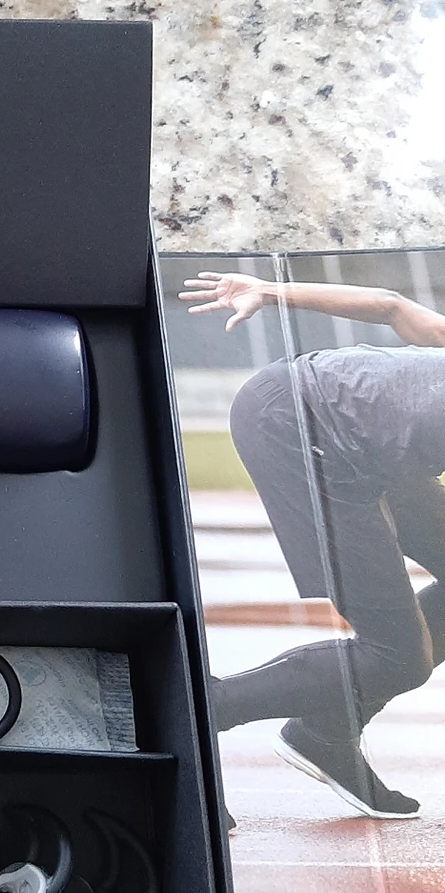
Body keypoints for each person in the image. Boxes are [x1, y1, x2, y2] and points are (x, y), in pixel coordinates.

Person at [180, 270, 445, 819]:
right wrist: (270, 291)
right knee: (398, 658)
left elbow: (390, 305)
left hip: (356, 436)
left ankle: (327, 731)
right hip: (299, 425)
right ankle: (195, 711)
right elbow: (390, 303)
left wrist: (270, 289)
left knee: (398, 656)